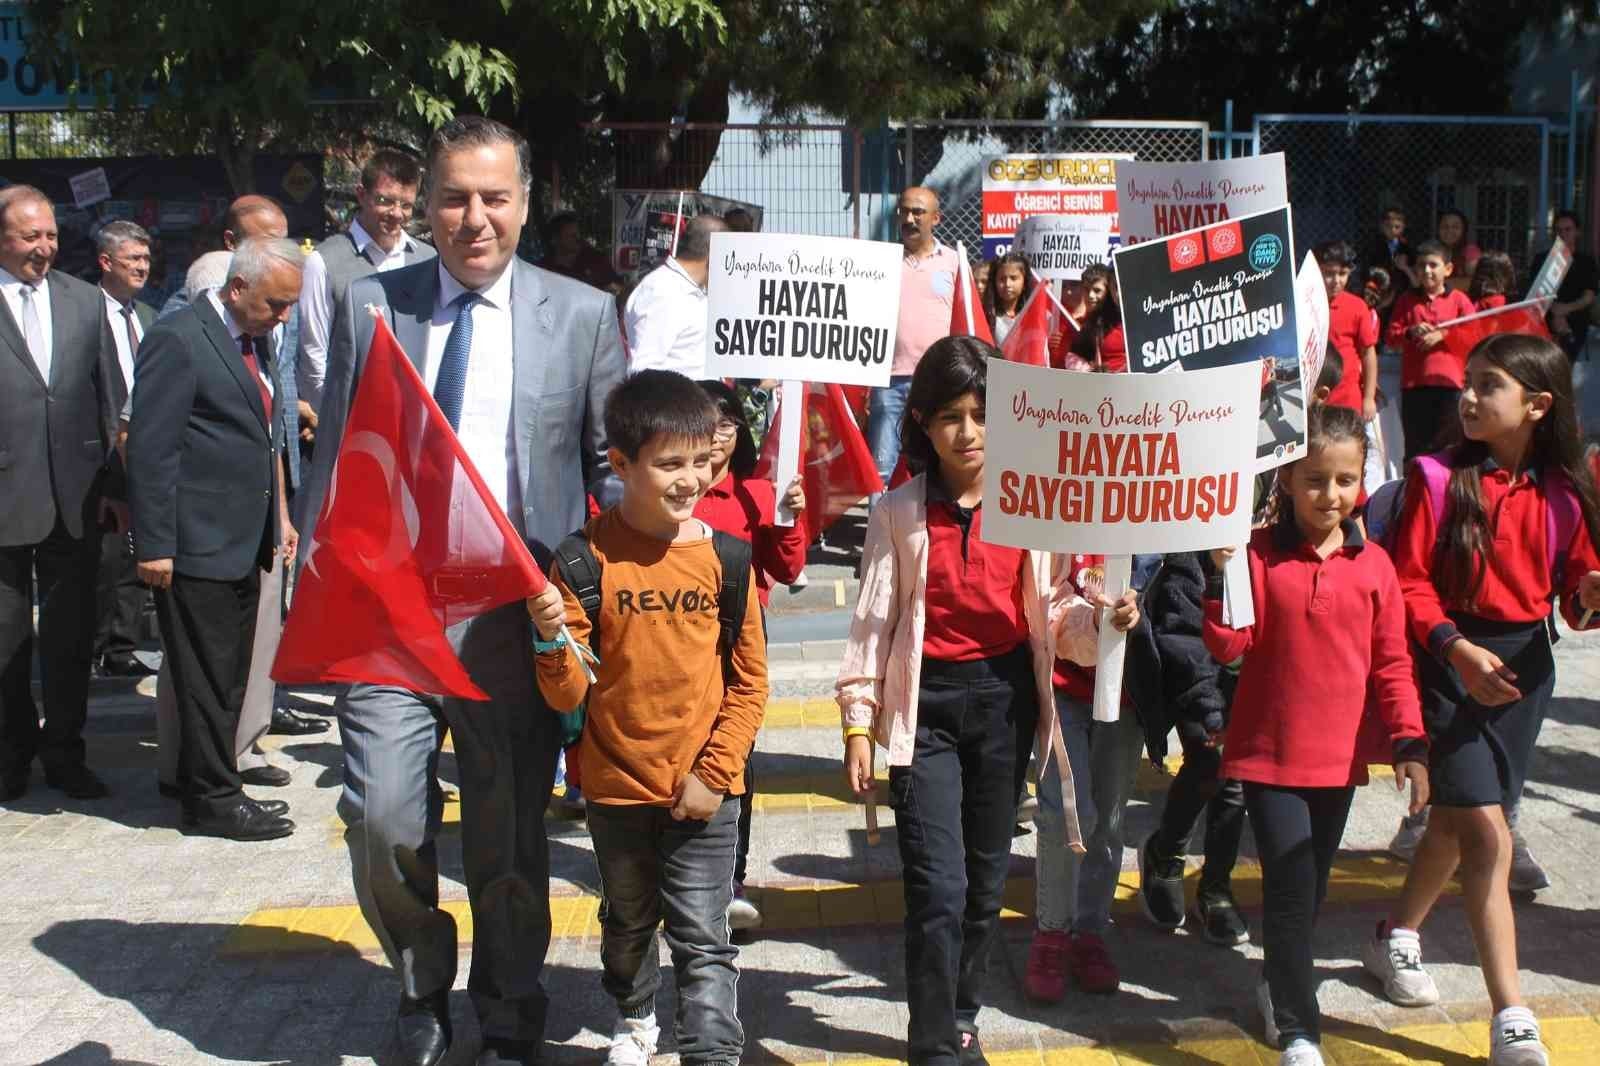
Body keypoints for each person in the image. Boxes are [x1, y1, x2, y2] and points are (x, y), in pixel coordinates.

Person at [297, 115, 626, 1066]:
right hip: (390, 612)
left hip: (511, 616)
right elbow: (336, 467)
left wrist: (596, 573)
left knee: (511, 833)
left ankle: (511, 997)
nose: (473, 218)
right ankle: (419, 983)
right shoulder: (372, 307)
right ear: (425, 204)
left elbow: (605, 467)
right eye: (454, 197)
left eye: (494, 197)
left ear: (525, 203)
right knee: (383, 817)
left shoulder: (582, 314)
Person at [837, 335, 1135, 1064]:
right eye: (948, 417)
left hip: (1005, 707)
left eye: (981, 413)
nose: (967, 432)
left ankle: (963, 1017)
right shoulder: (898, 512)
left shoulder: (1035, 501)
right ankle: (936, 1044)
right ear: (923, 425)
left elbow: (1058, 614)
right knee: (936, 889)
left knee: (982, 886)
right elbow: (874, 623)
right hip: (927, 712)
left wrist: (1104, 622)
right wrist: (857, 722)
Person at [1363, 334, 1600, 1066]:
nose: (1468, 396)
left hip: (1524, 674)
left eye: (1487, 385)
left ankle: (1396, 934)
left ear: (1537, 405)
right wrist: (1455, 651)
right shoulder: (1436, 479)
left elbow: (1574, 599)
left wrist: (1589, 595)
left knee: (1459, 825)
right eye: (1467, 382)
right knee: (1491, 836)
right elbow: (1404, 583)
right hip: (1447, 666)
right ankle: (1511, 1009)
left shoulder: (1566, 492)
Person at [528, 369, 768, 1066]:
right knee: (629, 923)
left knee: (704, 934)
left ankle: (711, 1051)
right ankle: (634, 1018)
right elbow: (567, 694)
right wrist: (550, 636)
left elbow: (749, 685)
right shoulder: (580, 561)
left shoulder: (726, 560)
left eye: (701, 461)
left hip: (704, 791)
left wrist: (715, 775)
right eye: (669, 464)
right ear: (621, 464)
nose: (690, 479)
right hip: (614, 791)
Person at [1204, 404, 1428, 1066]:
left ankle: (1280, 981)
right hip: (1268, 757)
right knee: (1292, 887)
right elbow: (1226, 646)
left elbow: (1392, 666)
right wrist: (1225, 577)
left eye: (1344, 480)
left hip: (1338, 763)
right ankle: (1300, 1028)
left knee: (1310, 890)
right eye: (1313, 480)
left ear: (1362, 480)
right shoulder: (1255, 555)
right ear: (1286, 483)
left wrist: (1410, 744)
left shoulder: (1375, 568)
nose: (1329, 495)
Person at [126, 236, 304, 841]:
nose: (284, 317)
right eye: (277, 304)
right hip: (194, 543)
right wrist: (153, 544)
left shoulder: (256, 341)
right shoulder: (179, 339)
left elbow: (262, 437)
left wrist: (277, 514)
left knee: (227, 674)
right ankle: (213, 800)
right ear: (238, 289)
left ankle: (211, 779)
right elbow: (151, 449)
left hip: (242, 539)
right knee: (204, 680)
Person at [0, 185, 125, 803]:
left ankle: (66, 753)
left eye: (50, 235)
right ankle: (10, 754)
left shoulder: (82, 302)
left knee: (70, 640)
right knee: (7, 640)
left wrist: (115, 488)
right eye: (30, 236)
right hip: (4, 498)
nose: (44, 248)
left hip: (76, 498)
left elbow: (110, 403)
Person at [693, 379, 808, 931]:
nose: (715, 437)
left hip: (741, 639)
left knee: (734, 754)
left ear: (740, 432)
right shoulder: (670, 490)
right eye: (704, 422)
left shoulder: (757, 493)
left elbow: (786, 569)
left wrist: (790, 518)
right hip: (677, 637)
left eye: (726, 424)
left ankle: (730, 878)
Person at [1026, 549, 1145, 1001]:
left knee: (1109, 819)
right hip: (1065, 686)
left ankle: (1091, 932)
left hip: (1129, 694)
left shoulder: (1155, 518)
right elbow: (1048, 598)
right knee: (1062, 816)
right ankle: (1052, 935)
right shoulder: (1065, 507)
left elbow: (1178, 594)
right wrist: (1096, 626)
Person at [1126, 548, 1247, 949]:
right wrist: (1211, 709)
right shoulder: (1188, 549)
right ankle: (1166, 853)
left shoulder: (1274, 532)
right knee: (1211, 761)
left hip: (1250, 678)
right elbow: (1182, 638)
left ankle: (1215, 888)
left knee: (1237, 780)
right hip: (1196, 676)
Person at [297, 149, 435, 414]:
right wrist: (337, 420)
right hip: (353, 426)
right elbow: (313, 360)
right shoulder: (324, 261)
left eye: (406, 205)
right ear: (361, 194)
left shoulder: (428, 259)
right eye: (385, 201)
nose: (397, 214)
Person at [93, 220, 157, 679]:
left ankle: (122, 644)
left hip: (144, 447)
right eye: (133, 258)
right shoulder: (84, 313)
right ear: (105, 262)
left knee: (138, 548)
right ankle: (93, 641)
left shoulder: (149, 317)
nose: (142, 267)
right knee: (105, 555)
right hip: (99, 453)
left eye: (146, 259)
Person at [868, 187, 959, 490]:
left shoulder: (955, 263)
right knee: (883, 465)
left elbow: (966, 317)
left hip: (938, 380)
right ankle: (881, 532)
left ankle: (931, 528)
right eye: (904, 211)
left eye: (918, 212)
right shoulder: (880, 263)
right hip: (889, 379)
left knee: (939, 460)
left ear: (936, 218)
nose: (909, 218)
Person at [1387, 240, 1475, 461]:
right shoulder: (1407, 300)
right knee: (1416, 449)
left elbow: (1475, 336)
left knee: (1450, 447)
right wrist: (1410, 332)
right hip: (1415, 386)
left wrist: (1444, 334)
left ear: (1448, 269)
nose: (1427, 271)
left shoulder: (1459, 300)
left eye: (1433, 265)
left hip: (1451, 385)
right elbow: (1391, 338)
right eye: (1421, 266)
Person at [622, 213, 727, 379]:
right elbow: (642, 374)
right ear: (715, 253)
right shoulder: (662, 291)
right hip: (675, 404)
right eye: (728, 256)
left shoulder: (695, 290)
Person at [1533, 210, 1598, 361]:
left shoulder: (1586, 262)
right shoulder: (1541, 259)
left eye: (1568, 229)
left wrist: (1564, 310)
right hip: (1545, 318)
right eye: (1558, 230)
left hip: (1575, 320)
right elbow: (1536, 294)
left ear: (1578, 232)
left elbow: (1589, 297)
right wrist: (1555, 313)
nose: (1563, 233)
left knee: (1564, 367)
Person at [537, 210, 620, 292]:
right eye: (571, 236)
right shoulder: (543, 268)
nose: (577, 239)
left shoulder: (596, 261)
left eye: (578, 234)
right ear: (555, 239)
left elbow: (618, 288)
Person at [1069, 264, 1127, 372]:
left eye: (1097, 290)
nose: (1090, 295)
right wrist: (1088, 371)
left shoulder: (1142, 317)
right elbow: (1073, 356)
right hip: (1106, 386)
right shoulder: (1095, 323)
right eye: (1086, 289)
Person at [981, 251, 1033, 346]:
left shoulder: (1033, 314)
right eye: (1002, 279)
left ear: (1024, 283)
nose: (1007, 284)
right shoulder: (986, 315)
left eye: (1013, 278)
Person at [1363, 205, 1414, 290]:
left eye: (1397, 227)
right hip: (1379, 285)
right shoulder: (1375, 245)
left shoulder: (1406, 247)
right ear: (1382, 226)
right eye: (1388, 226)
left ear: (1403, 227)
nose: (1392, 230)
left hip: (1401, 286)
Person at [1437, 209, 1481, 292]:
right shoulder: (1432, 250)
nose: (1449, 231)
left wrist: (1436, 285)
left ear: (1464, 230)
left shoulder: (1470, 251)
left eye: (1455, 227)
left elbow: (1473, 282)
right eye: (1445, 227)